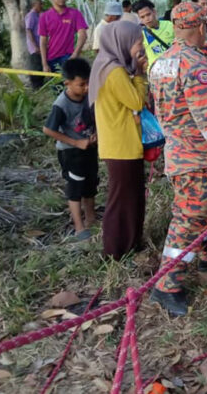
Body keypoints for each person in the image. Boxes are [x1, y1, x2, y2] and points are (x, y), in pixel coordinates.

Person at [148, 2, 207, 316]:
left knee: (200, 209)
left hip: (175, 151)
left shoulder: (160, 63)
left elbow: (158, 111)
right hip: (196, 156)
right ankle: (167, 284)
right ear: (201, 27)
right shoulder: (196, 65)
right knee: (188, 219)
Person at [89, 21, 149, 260]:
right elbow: (136, 101)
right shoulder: (113, 71)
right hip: (121, 146)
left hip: (120, 144)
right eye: (137, 43)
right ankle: (114, 251)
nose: (140, 49)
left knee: (132, 199)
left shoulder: (106, 65)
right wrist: (140, 74)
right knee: (121, 201)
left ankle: (132, 245)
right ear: (123, 42)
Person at [43, 58, 97, 241]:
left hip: (89, 149)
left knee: (91, 183)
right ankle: (79, 227)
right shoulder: (61, 104)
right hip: (71, 153)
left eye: (88, 83)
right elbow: (48, 129)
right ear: (67, 83)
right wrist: (76, 143)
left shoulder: (89, 97)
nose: (86, 88)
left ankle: (91, 218)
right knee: (75, 188)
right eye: (81, 84)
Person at [39, 0, 88, 73]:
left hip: (69, 57)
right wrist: (44, 64)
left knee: (71, 85)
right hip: (52, 58)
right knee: (56, 87)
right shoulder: (45, 16)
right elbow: (43, 41)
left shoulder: (75, 13)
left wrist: (74, 55)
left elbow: (83, 35)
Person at [133, 0, 174, 70]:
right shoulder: (140, 34)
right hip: (155, 74)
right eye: (142, 17)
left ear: (154, 12)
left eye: (148, 14)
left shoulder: (170, 25)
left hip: (173, 69)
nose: (147, 19)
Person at [25, 0, 44, 88]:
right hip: (35, 46)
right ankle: (35, 86)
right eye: (40, 4)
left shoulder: (37, 15)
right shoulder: (31, 15)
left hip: (39, 45)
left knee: (39, 65)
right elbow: (29, 30)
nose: (41, 6)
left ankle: (40, 85)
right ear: (34, 5)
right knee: (36, 66)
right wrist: (35, 45)